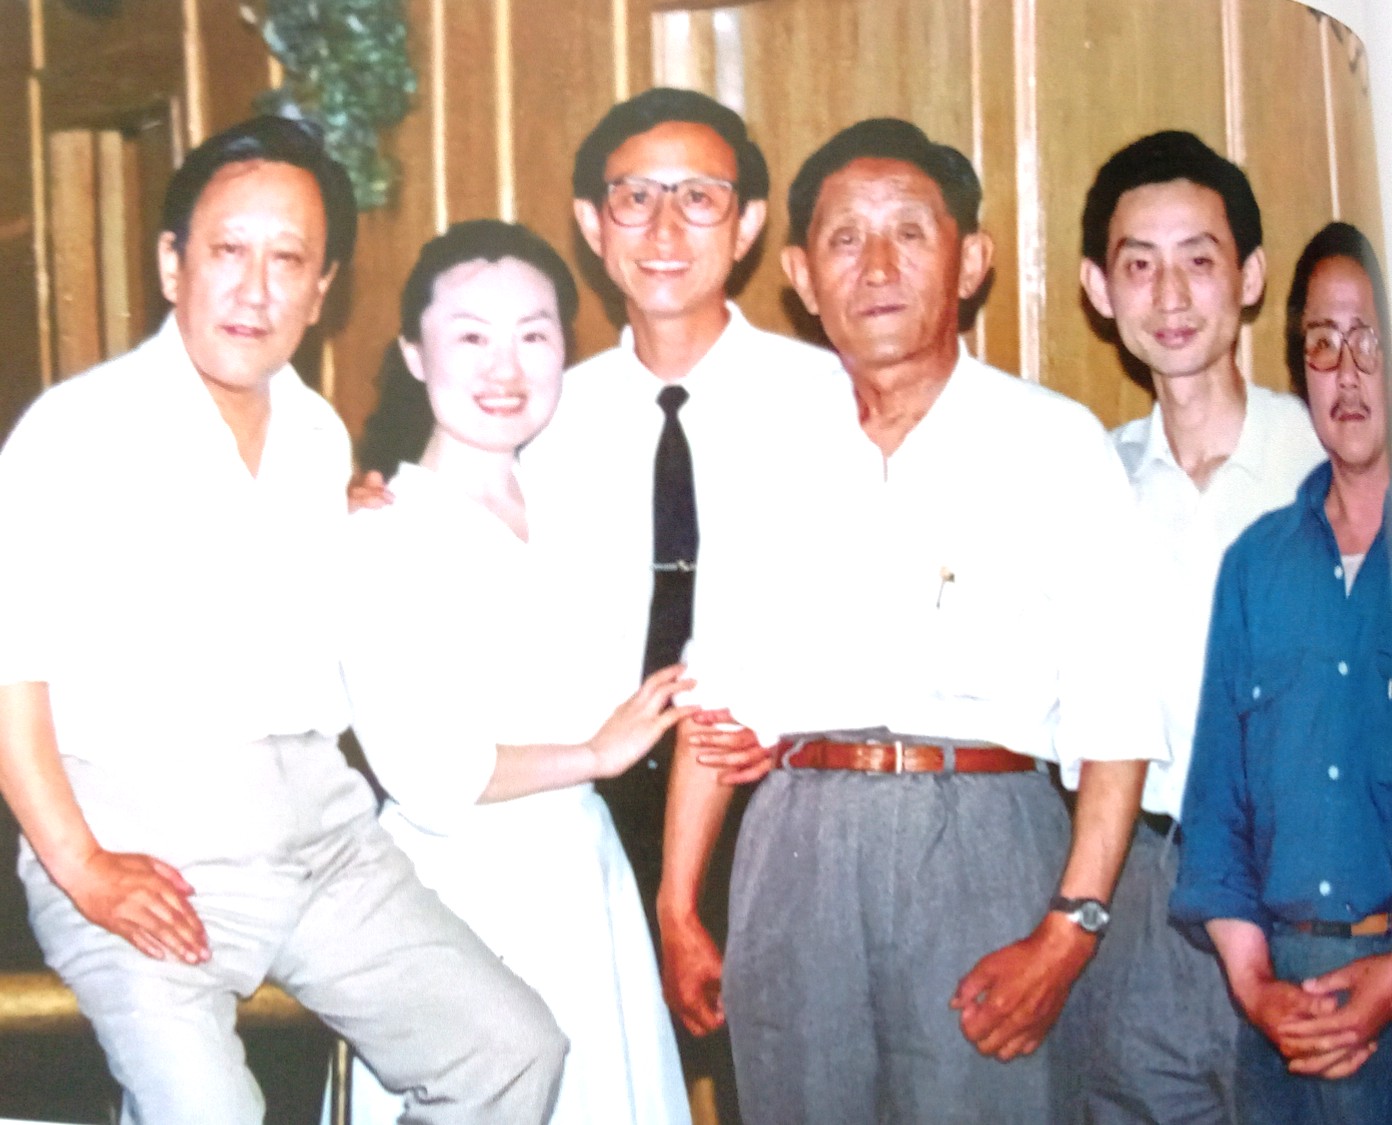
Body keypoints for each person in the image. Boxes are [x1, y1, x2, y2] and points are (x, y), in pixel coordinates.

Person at [0, 117, 565, 1124]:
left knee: (512, 1051)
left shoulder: (316, 436)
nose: (254, 290)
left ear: (322, 288)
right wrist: (81, 866)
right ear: (172, 265)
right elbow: (11, 669)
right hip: (142, 849)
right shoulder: (76, 431)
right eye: (227, 251)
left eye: (288, 260)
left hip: (321, 838)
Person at [659, 116, 1163, 1125]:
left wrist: (1071, 924)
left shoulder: (1053, 442)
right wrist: (678, 905)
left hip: (987, 839)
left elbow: (1116, 711)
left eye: (910, 232)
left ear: (971, 261)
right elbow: (714, 696)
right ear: (802, 276)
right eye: (846, 238)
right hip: (797, 847)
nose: (878, 266)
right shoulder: (764, 454)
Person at [518, 86, 847, 1120]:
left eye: (699, 198)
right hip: (594, 803)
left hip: (777, 795)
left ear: (747, 226)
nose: (664, 228)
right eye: (636, 197)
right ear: (592, 223)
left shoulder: (831, 397)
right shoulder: (537, 414)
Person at [336, 219, 694, 1125]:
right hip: (457, 895)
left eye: (534, 335)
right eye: (471, 337)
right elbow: (428, 772)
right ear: (413, 353)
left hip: (586, 877)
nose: (506, 368)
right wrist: (592, 755)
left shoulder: (584, 510)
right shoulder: (377, 534)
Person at [1076, 130, 1327, 1123]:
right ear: (1099, 290)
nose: (1171, 295)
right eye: (1139, 264)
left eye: (1199, 259)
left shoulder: (1336, 463)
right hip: (1143, 886)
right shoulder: (1088, 482)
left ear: (1251, 276)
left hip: (1318, 895)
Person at [1172, 220, 1392, 1125]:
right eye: (1322, 342)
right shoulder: (1255, 565)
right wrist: (1256, 984)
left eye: (1369, 338)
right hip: (1279, 1012)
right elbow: (1216, 815)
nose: (1347, 372)